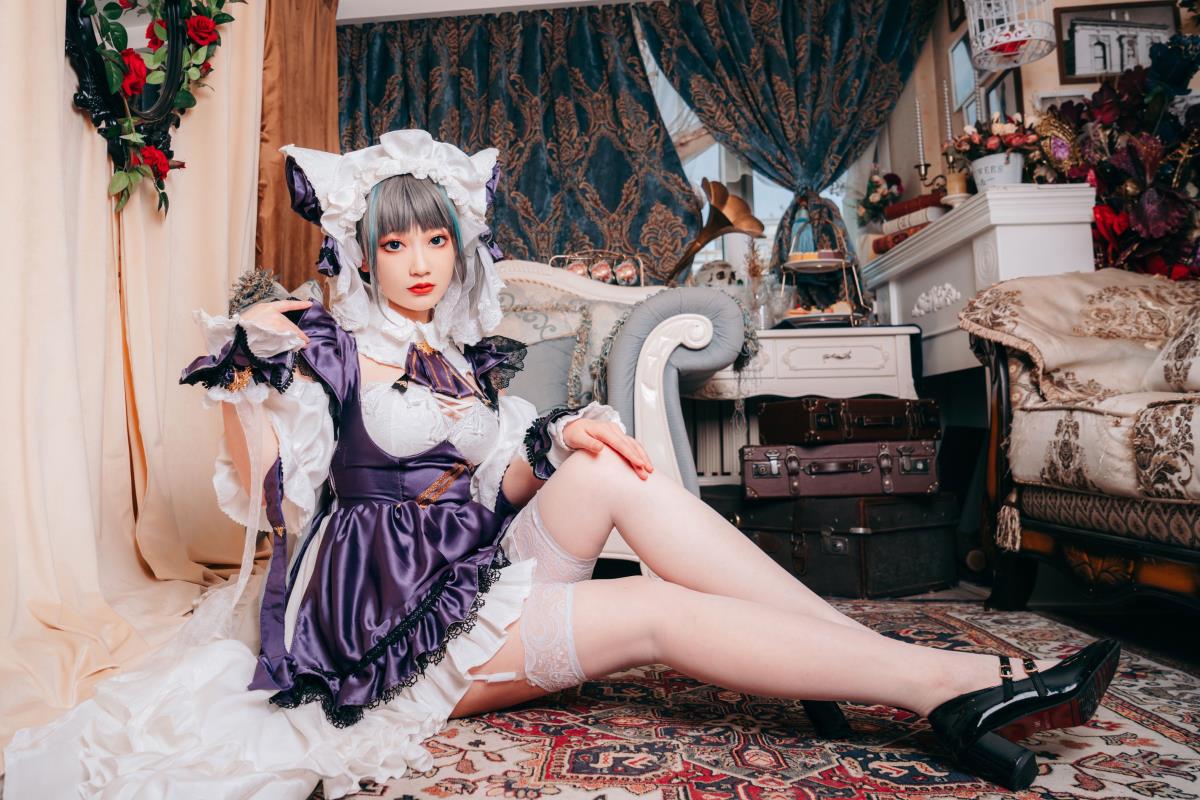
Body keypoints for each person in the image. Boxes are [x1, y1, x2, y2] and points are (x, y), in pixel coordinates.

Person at [3, 130, 1119, 798]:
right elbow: (271, 504)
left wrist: (556, 441)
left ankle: (850, 664)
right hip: (389, 624)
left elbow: (491, 490)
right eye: (394, 241)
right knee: (656, 614)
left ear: (460, 244)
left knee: (612, 468)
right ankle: (945, 688)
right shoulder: (327, 347)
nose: (420, 261)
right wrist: (252, 378)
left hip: (468, 564)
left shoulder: (454, 350)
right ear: (361, 252)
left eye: (436, 237)